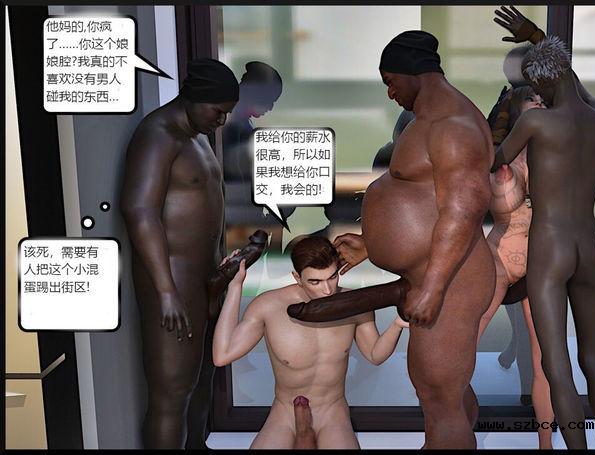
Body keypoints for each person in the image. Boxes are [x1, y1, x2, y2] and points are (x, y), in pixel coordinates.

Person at [287, 30, 495, 449]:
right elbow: (428, 201)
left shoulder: (452, 125)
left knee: (439, 397)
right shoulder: (430, 122)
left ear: (412, 72)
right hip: (435, 273)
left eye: (390, 81)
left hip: (450, 280)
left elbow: (464, 208)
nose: (390, 92)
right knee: (445, 394)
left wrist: (433, 287)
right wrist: (372, 244)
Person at [491, 7, 595, 449]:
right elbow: (572, 83)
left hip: (550, 243)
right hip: (587, 244)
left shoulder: (535, 121)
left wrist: (496, 118)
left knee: (556, 367)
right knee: (594, 362)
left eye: (536, 87)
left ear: (542, 83)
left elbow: (494, 160)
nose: (536, 95)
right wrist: (538, 37)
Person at [120, 58, 239, 448]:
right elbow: (139, 211)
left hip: (206, 278)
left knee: (203, 377)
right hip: (171, 279)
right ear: (193, 98)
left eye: (227, 112)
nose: (222, 120)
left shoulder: (198, 136)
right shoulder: (158, 135)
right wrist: (166, 290)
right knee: (171, 392)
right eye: (217, 111)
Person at [212, 236, 408, 449]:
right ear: (297, 277)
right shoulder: (268, 306)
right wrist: (235, 287)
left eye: (332, 277)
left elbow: (375, 355)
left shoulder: (355, 305)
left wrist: (397, 324)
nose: (327, 290)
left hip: (332, 412)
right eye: (315, 282)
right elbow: (222, 355)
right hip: (286, 412)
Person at [477, 85, 555, 449]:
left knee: (544, 361)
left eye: (542, 100)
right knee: (463, 343)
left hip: (540, 259)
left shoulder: (552, 151)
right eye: (530, 99)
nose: (538, 103)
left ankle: (545, 444)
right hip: (501, 256)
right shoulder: (494, 155)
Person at [220, 61, 294, 254]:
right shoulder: (229, 125)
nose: (270, 107)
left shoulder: (239, 123)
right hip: (235, 225)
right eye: (269, 99)